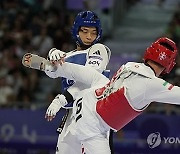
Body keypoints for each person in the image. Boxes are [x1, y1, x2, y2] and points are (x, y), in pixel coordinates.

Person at [41, 37, 180, 153]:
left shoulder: (129, 65)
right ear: (169, 65)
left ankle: (58, 67)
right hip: (92, 126)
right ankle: (58, 68)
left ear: (148, 52)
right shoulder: (153, 85)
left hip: (88, 100)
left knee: (99, 79)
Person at [44, 11, 112, 154]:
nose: (89, 37)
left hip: (93, 115)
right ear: (76, 31)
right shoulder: (67, 56)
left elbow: (89, 79)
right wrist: (52, 57)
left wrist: (61, 99)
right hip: (71, 114)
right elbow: (50, 73)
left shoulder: (99, 49)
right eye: (85, 31)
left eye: (94, 33)